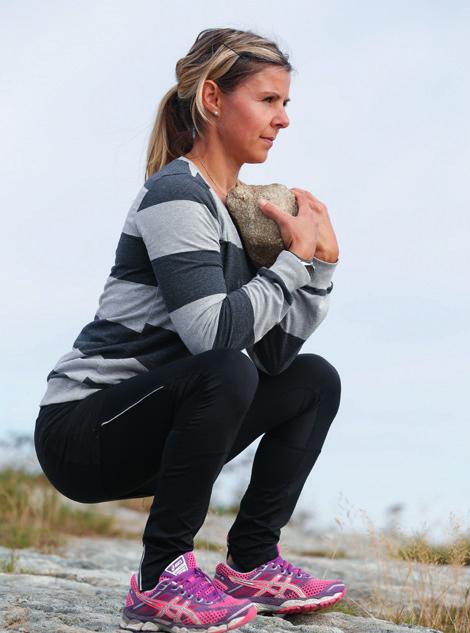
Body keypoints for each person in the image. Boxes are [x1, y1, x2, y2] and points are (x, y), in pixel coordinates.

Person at [34, 26, 345, 632]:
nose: (282, 119)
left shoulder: (242, 213)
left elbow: (275, 356)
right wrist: (291, 265)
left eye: (286, 103)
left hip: (160, 426)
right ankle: (160, 578)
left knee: (312, 380)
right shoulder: (176, 193)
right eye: (268, 100)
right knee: (227, 364)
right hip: (83, 429)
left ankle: (251, 561)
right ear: (211, 98)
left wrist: (320, 270)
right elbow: (213, 340)